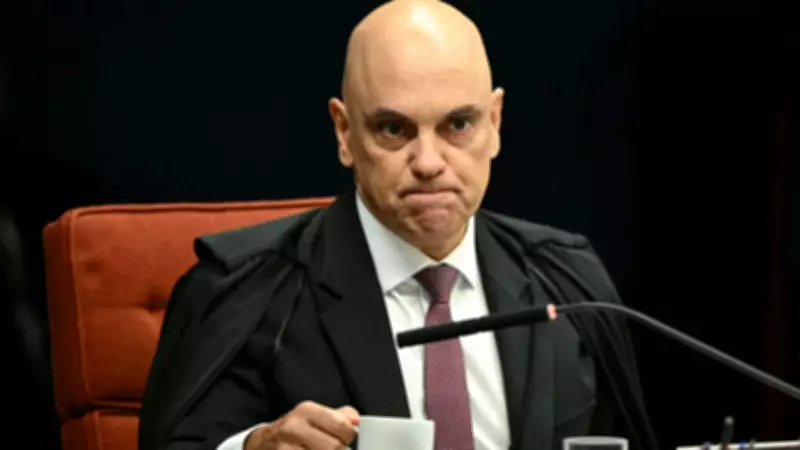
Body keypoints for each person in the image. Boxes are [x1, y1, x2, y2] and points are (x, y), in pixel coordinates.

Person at [139, 1, 659, 449]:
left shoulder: (567, 281)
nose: (429, 162)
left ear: (495, 123)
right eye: (393, 129)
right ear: (344, 132)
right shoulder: (244, 292)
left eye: (458, 124)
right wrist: (255, 445)